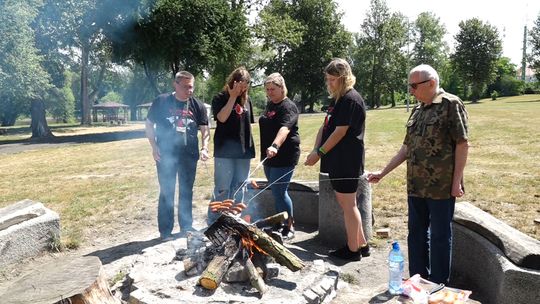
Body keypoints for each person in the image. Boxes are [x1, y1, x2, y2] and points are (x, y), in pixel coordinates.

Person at [367, 64, 469, 284]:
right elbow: (406, 148)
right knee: (416, 235)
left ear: (431, 83)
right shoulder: (418, 110)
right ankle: (418, 280)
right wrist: (382, 173)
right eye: (409, 86)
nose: (410, 91)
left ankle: (439, 284)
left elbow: (462, 144)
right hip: (415, 186)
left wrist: (456, 182)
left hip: (441, 187)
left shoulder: (451, 104)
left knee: (440, 237)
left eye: (414, 86)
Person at [305, 58, 369, 261]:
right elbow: (326, 127)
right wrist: (315, 149)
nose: (329, 83)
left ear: (344, 78)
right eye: (328, 79)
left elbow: (339, 133)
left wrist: (320, 153)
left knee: (348, 204)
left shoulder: (350, 99)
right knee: (348, 204)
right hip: (338, 159)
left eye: (333, 79)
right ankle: (361, 245)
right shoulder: (338, 99)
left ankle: (352, 251)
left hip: (347, 160)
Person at [145, 71, 210, 240]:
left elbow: (205, 130)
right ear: (176, 84)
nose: (190, 90)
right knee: (167, 190)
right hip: (166, 154)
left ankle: (186, 227)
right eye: (186, 87)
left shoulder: (198, 105)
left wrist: (205, 147)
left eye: (192, 86)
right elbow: (149, 124)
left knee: (186, 191)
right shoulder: (162, 101)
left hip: (189, 155)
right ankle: (165, 231)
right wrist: (153, 146)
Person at [207, 67, 255, 224]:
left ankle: (234, 220)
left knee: (240, 186)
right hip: (224, 151)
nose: (243, 88)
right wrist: (232, 97)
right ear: (232, 82)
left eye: (246, 85)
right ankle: (215, 221)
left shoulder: (247, 100)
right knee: (222, 188)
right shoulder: (220, 98)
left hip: (243, 151)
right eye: (240, 84)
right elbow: (221, 118)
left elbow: (248, 125)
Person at [259, 73, 300, 240]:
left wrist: (275, 145)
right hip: (269, 157)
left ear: (282, 88)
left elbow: (285, 129)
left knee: (280, 191)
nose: (270, 92)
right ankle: (279, 221)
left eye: (273, 89)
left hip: (284, 156)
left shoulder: (288, 107)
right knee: (276, 192)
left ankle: (289, 226)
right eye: (267, 89)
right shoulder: (271, 105)